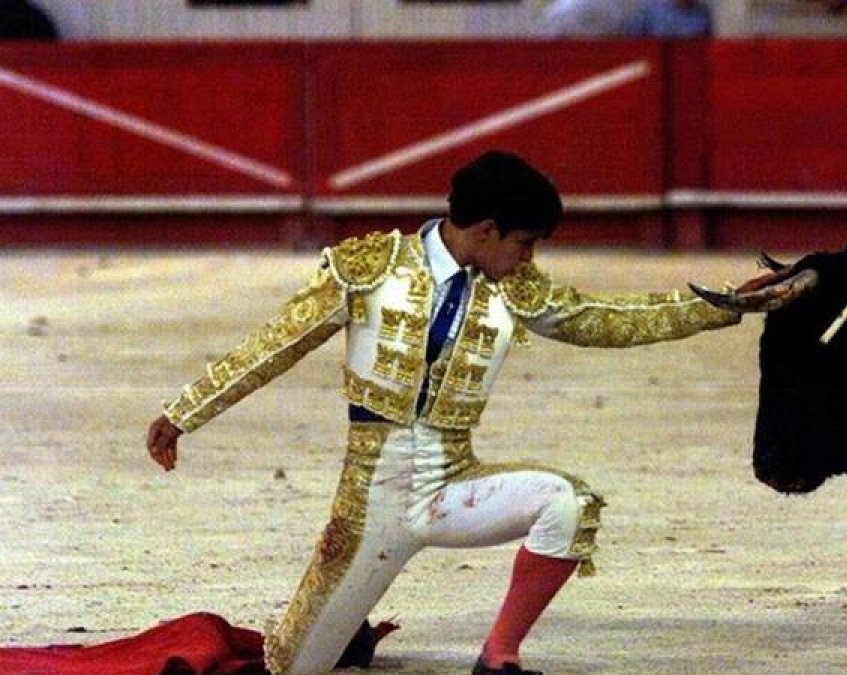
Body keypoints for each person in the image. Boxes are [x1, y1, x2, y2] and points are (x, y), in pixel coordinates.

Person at [145, 150, 741, 675]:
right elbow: (275, 344)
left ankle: (498, 657)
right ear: (486, 230)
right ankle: (346, 624)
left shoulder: (514, 287)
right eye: (525, 242)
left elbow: (605, 318)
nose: (528, 257)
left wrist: (722, 305)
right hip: (371, 501)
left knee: (569, 504)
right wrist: (184, 413)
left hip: (451, 485)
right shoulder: (369, 267)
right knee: (291, 668)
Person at [624, 0, 712, 38]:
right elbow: (632, 45)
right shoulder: (649, 9)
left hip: (689, 69)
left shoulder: (702, 13)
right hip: (655, 67)